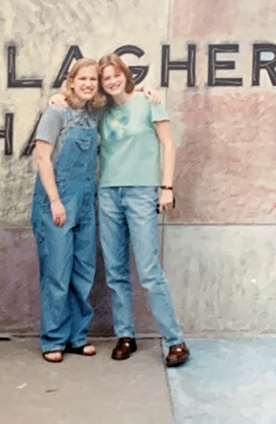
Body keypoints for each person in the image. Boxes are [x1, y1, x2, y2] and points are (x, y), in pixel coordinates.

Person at [96, 53, 189, 367]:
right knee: (115, 270)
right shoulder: (101, 111)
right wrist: (56, 97)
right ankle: (125, 335)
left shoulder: (149, 101)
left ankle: (175, 341)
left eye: (115, 75)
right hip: (108, 192)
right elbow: (70, 101)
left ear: (125, 74)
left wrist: (166, 187)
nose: (112, 81)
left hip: (141, 192)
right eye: (105, 77)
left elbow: (168, 144)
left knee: (149, 270)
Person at [31, 58, 104, 363]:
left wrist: (148, 90)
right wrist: (55, 200)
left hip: (86, 198)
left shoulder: (94, 112)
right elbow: (42, 158)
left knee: (83, 272)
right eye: (82, 78)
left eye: (93, 79)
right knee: (57, 272)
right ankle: (53, 340)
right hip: (57, 198)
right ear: (71, 82)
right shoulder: (55, 112)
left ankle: (77, 337)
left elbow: (123, 87)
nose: (88, 84)